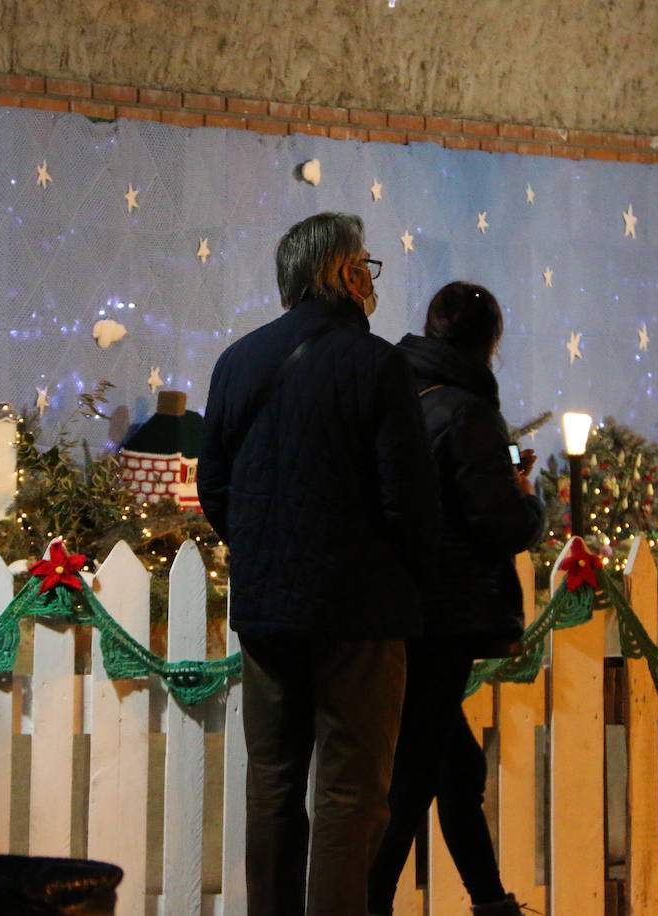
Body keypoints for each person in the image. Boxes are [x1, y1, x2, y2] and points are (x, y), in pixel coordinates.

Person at [198, 212, 439, 915]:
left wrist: (266, 549)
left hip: (268, 608)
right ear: (340, 272)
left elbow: (215, 485)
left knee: (271, 779)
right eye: (366, 263)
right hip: (358, 612)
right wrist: (406, 581)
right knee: (350, 788)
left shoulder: (237, 361)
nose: (372, 278)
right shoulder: (376, 364)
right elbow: (408, 500)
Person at [369, 281, 543, 916]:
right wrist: (527, 497)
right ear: (489, 341)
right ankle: (370, 902)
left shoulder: (393, 391)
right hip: (444, 612)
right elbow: (496, 522)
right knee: (416, 772)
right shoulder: (467, 412)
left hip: (397, 603)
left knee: (454, 765)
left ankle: (491, 901)